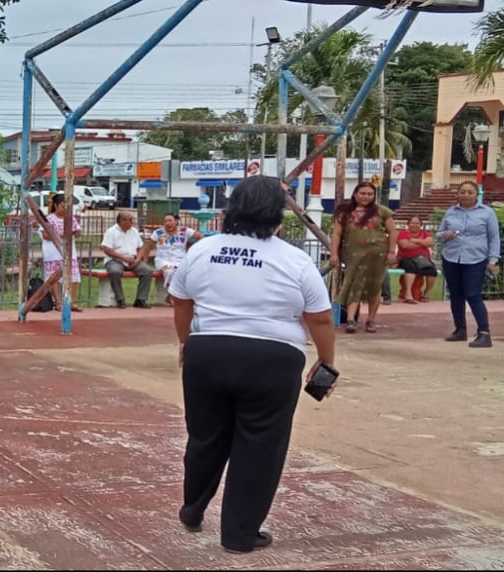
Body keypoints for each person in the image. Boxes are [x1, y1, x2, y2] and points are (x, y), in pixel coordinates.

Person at [168, 176, 337, 555]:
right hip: (272, 360)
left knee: (205, 436)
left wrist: (185, 342)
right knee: (260, 445)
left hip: (207, 352)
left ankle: (192, 508)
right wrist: (326, 362)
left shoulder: (203, 249)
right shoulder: (294, 258)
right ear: (277, 214)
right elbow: (321, 318)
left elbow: (180, 301)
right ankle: (240, 533)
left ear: (231, 209)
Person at [438, 180, 500, 348]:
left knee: (473, 294)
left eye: (470, 192)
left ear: (476, 195)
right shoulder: (450, 212)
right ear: (457, 194)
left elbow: (494, 238)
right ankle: (460, 330)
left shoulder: (487, 213)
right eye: (463, 192)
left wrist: (493, 260)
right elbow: (439, 233)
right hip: (452, 257)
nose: (466, 195)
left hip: (475, 259)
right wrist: (445, 234)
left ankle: (484, 333)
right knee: (456, 295)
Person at [330, 181, 397, 334]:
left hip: (377, 255)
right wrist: (334, 254)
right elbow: (337, 234)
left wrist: (391, 252)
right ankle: (351, 319)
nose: (366, 197)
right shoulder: (344, 212)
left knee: (375, 285)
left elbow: (392, 232)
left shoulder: (382, 211)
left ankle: (371, 320)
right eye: (363, 193)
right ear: (355, 194)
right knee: (354, 283)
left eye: (370, 194)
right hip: (354, 255)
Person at [138, 213, 202, 307]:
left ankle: (172, 296)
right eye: (166, 221)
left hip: (180, 260)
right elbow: (148, 245)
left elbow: (201, 237)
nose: (168, 223)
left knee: (183, 271)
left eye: (170, 221)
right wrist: (145, 259)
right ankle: (172, 295)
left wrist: (195, 249)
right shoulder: (158, 232)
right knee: (169, 270)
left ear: (176, 222)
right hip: (162, 260)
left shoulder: (184, 231)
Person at [37, 194, 82, 312]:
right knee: (54, 278)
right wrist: (63, 234)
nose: (65, 208)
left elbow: (77, 231)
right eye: (63, 206)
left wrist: (75, 233)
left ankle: (71, 301)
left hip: (69, 251)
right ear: (56, 206)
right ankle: (58, 302)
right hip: (53, 252)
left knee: (74, 276)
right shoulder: (49, 219)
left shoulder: (70, 218)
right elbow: (46, 235)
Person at [101, 211, 154, 309]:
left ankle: (141, 299)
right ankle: (120, 299)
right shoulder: (111, 231)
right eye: (130, 220)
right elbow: (107, 249)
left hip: (133, 260)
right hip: (115, 260)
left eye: (132, 220)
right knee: (115, 271)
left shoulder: (134, 231)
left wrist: (137, 260)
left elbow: (141, 247)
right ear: (122, 221)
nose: (132, 222)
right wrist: (124, 258)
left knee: (147, 271)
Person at [396, 216, 438, 304]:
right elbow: (405, 245)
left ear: (421, 225)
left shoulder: (425, 233)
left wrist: (415, 240)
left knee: (433, 270)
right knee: (410, 268)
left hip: (423, 259)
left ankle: (427, 293)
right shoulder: (403, 233)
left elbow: (430, 243)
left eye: (417, 223)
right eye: (412, 223)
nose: (414, 225)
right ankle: (408, 294)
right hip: (406, 258)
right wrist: (423, 243)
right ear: (408, 224)